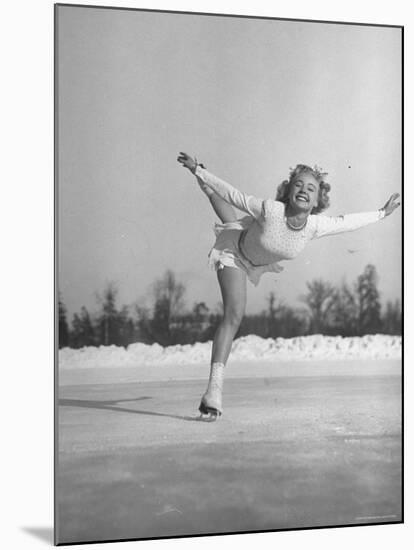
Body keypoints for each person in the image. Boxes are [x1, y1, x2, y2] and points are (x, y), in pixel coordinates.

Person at [177, 152, 400, 420]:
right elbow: (235, 195)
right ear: (288, 190)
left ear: (318, 199)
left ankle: (209, 191)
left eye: (311, 188)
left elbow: (347, 223)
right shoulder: (271, 209)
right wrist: (199, 171)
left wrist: (381, 213)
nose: (303, 190)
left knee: (232, 222)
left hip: (256, 258)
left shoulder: (315, 225)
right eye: (298, 184)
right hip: (234, 254)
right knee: (234, 314)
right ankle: (213, 391)